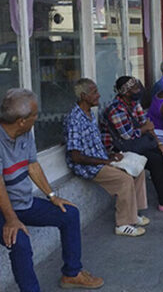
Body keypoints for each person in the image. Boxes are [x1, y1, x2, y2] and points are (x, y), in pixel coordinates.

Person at [0, 89, 104, 291]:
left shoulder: (24, 133)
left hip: (22, 203)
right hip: (3, 211)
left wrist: (52, 196)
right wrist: (11, 220)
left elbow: (32, 165)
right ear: (21, 120)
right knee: (19, 242)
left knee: (69, 214)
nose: (37, 118)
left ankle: (72, 274)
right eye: (34, 115)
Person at [64, 78, 149, 237]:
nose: (99, 95)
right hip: (87, 166)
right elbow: (76, 156)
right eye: (94, 92)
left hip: (101, 158)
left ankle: (133, 214)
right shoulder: (75, 119)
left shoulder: (89, 114)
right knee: (124, 179)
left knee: (138, 168)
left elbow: (94, 145)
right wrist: (106, 161)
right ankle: (123, 224)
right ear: (83, 95)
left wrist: (109, 155)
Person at [100, 76, 163, 213]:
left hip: (134, 143)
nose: (139, 90)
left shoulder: (134, 103)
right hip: (117, 149)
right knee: (154, 160)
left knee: (161, 153)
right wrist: (144, 129)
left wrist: (158, 143)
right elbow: (127, 135)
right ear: (126, 92)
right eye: (135, 88)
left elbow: (147, 124)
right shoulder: (115, 110)